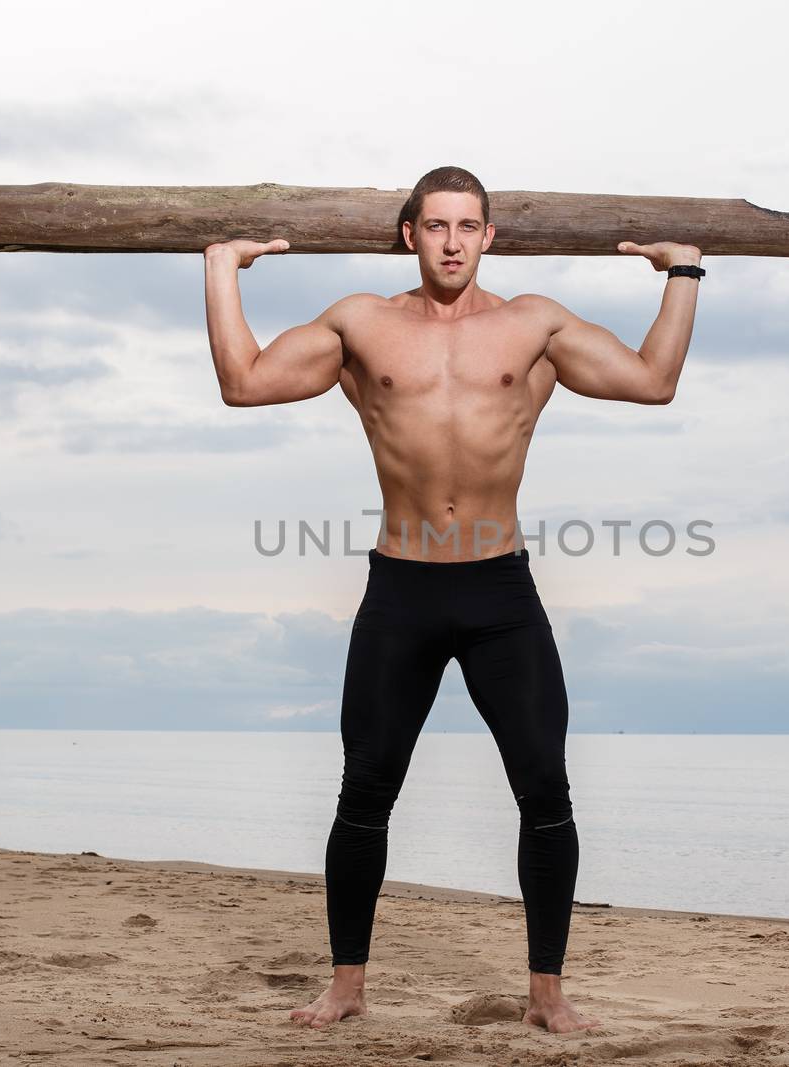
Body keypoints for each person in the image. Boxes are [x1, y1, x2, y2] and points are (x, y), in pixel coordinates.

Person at [202, 165, 702, 1034]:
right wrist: (220, 265)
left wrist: (683, 274)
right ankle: (346, 986)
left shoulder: (531, 323)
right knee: (365, 791)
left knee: (545, 789)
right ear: (411, 234)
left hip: (500, 587)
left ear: (489, 236)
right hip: (401, 587)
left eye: (468, 226)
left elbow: (654, 381)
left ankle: (548, 994)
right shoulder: (362, 323)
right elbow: (243, 382)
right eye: (436, 226)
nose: (452, 241)